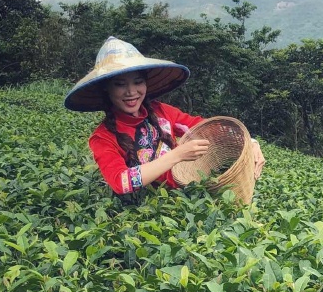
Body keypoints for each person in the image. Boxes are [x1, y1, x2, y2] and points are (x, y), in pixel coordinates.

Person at [64, 37, 264, 199]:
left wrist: (250, 142)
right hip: (151, 209)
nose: (131, 92)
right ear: (106, 88)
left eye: (138, 82)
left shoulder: (162, 112)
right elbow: (120, 182)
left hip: (189, 193)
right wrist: (177, 155)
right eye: (120, 84)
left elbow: (206, 127)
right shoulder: (103, 137)